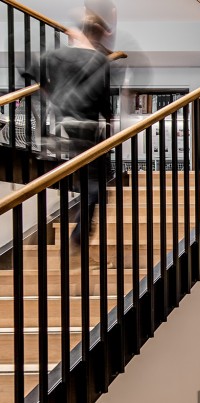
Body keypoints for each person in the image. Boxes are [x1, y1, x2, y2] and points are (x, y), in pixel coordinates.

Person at [33, 13, 113, 250]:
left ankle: (76, 229)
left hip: (62, 125)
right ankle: (79, 234)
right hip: (87, 127)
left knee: (88, 180)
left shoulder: (55, 55)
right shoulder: (98, 60)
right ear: (97, 35)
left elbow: (35, 75)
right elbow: (104, 101)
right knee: (97, 184)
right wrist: (109, 125)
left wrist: (53, 96)